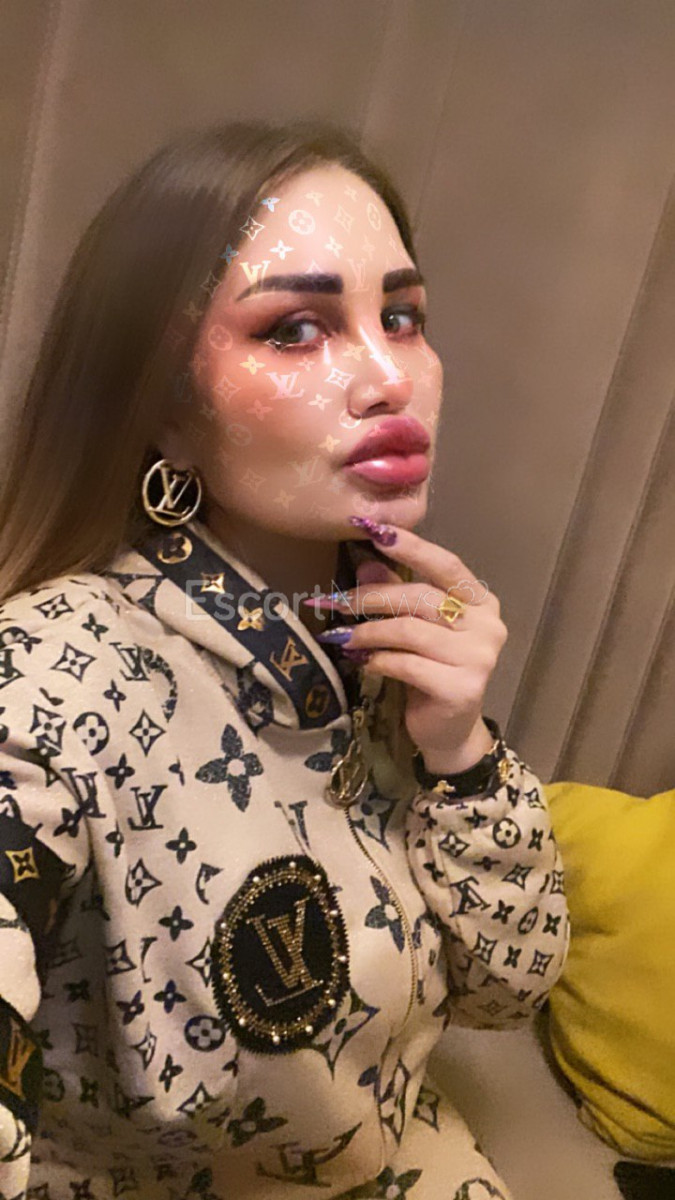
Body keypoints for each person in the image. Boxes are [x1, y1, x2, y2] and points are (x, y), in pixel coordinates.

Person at [0, 120, 570, 1200]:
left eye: (401, 317)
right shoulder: (54, 674)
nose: (388, 378)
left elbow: (509, 992)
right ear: (163, 407)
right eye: (295, 330)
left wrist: (459, 754)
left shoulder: (391, 639)